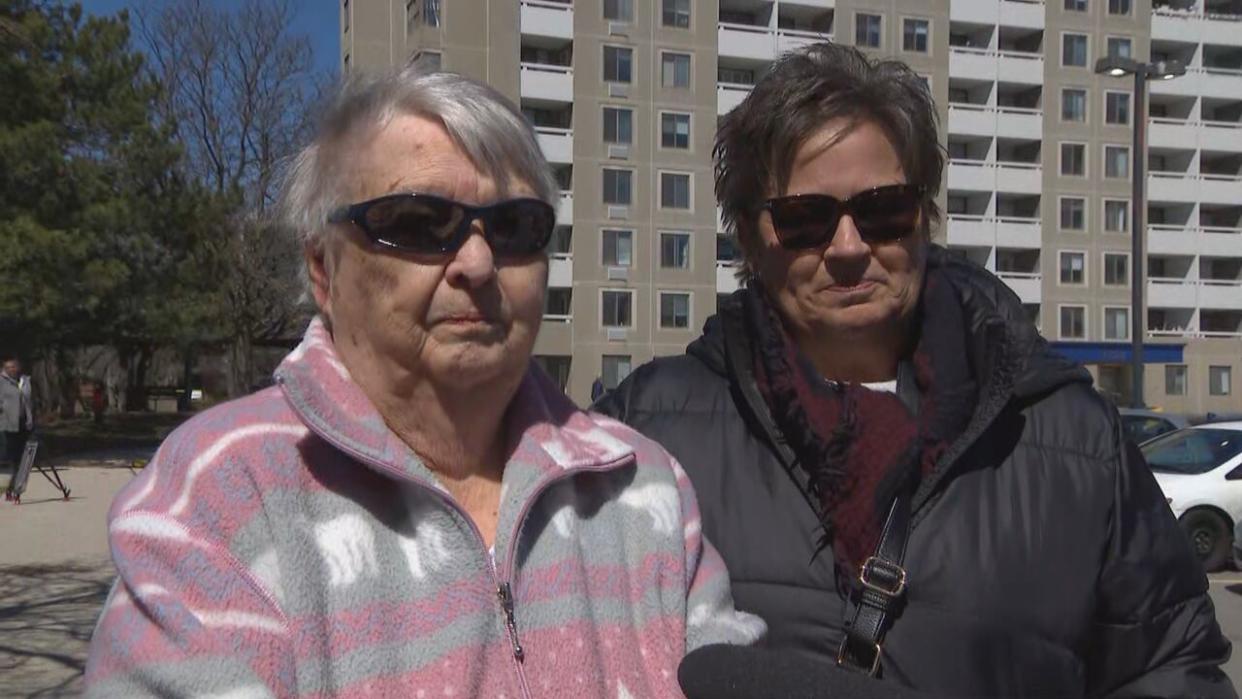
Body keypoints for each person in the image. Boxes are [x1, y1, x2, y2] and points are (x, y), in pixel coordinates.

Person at [86, 68, 762, 697]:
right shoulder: (218, 496)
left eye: (515, 228)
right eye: (417, 223)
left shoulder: (644, 485)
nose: (476, 261)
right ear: (324, 271)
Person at [596, 43, 1236, 698]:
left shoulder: (1076, 439)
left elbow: (1170, 668)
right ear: (751, 236)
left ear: (922, 218)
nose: (848, 247)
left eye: (882, 210)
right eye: (806, 218)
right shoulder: (642, 435)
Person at [1, 358, 34, 497]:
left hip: (25, 423)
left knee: (25, 456)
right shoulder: (2, 382)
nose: (12, 369)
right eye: (8, 367)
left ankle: (16, 487)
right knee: (14, 457)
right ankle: (12, 487)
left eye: (14, 366)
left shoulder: (25, 381)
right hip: (8, 424)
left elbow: (30, 400)